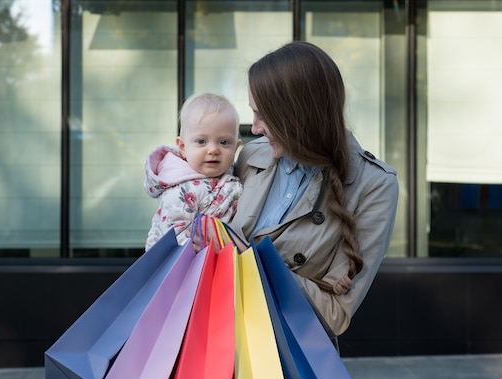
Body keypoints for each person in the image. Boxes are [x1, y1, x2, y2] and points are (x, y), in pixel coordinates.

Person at [199, 41, 399, 337]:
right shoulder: (252, 155)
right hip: (214, 340)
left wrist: (253, 263)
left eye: (263, 115)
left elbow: (335, 314)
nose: (254, 128)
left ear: (298, 114)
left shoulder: (374, 185)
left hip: (283, 357)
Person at [144, 92, 243, 250]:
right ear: (183, 147)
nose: (213, 150)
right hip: (187, 266)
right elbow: (172, 235)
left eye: (224, 142)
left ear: (236, 147)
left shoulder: (232, 175)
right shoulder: (181, 188)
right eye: (201, 141)